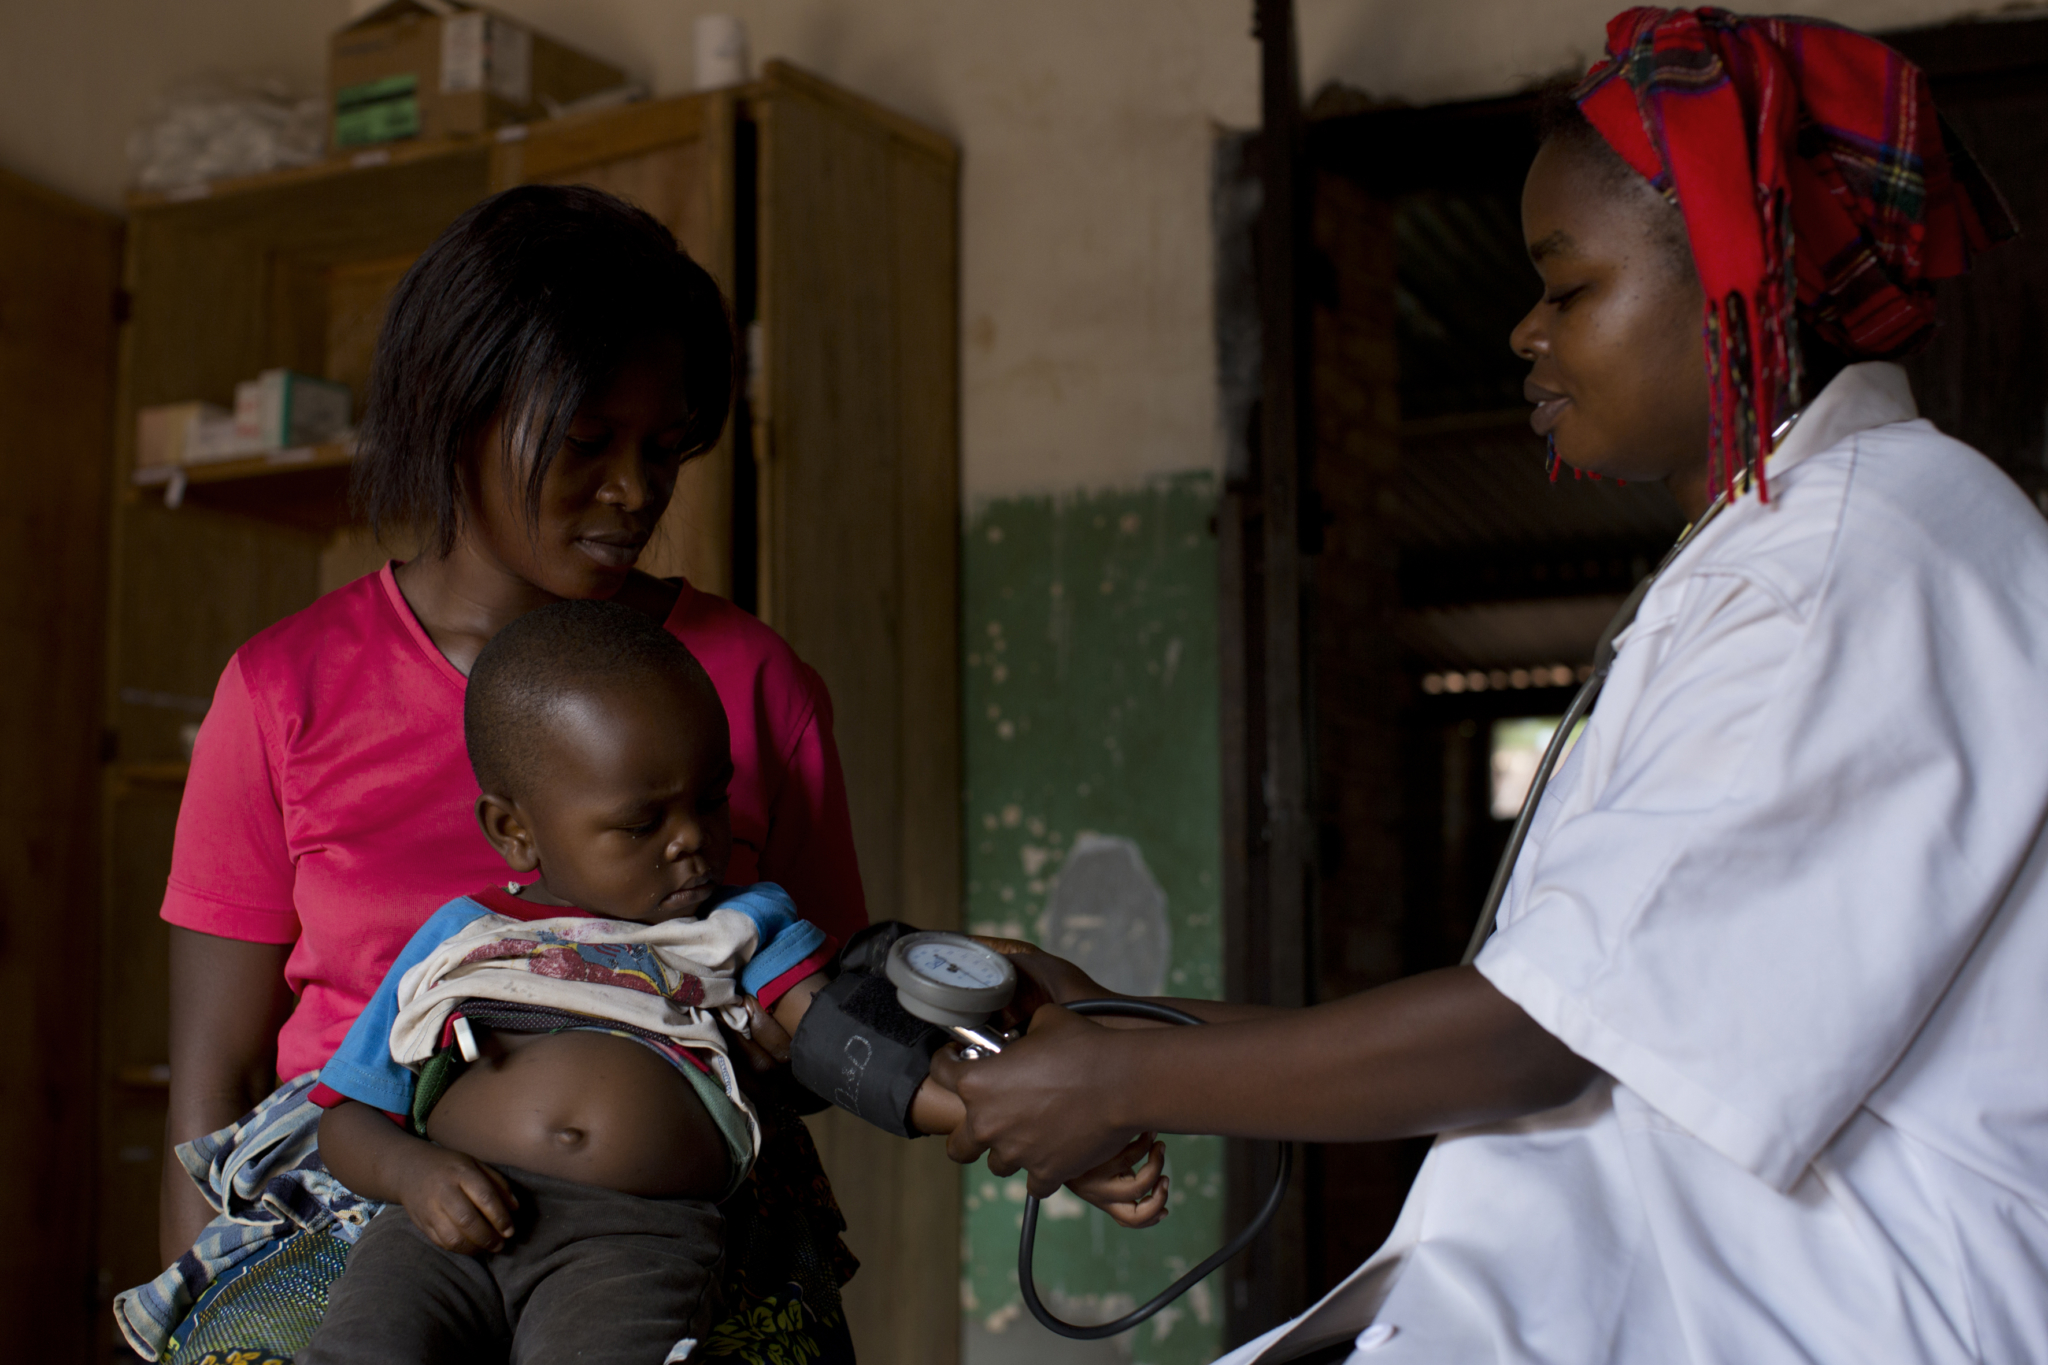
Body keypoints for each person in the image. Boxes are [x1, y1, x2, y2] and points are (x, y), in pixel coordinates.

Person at [935, 9, 2044, 1363]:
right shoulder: (1794, 548)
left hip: (1839, 1311)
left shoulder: (1854, 559)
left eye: (1566, 287)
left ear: (1734, 270)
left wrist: (1124, 1070)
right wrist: (1107, 1023)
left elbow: (1543, 1038)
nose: (1523, 333)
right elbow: (1575, 997)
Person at [122, 185, 872, 1363]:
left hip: (665, 1250)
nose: (634, 493)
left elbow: (829, 1023)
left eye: (662, 448)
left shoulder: (749, 679)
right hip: (355, 1238)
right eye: (585, 444)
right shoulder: (286, 691)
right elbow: (209, 1088)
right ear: (455, 409)